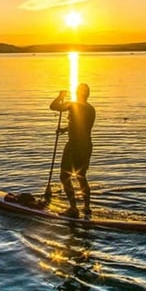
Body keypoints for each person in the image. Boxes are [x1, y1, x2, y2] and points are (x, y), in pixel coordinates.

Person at [49, 83, 96, 219]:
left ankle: (73, 208)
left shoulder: (73, 104)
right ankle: (87, 208)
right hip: (86, 146)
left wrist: (60, 96)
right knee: (81, 176)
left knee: (64, 177)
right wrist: (66, 129)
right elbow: (81, 126)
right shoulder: (91, 109)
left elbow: (53, 107)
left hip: (74, 146)